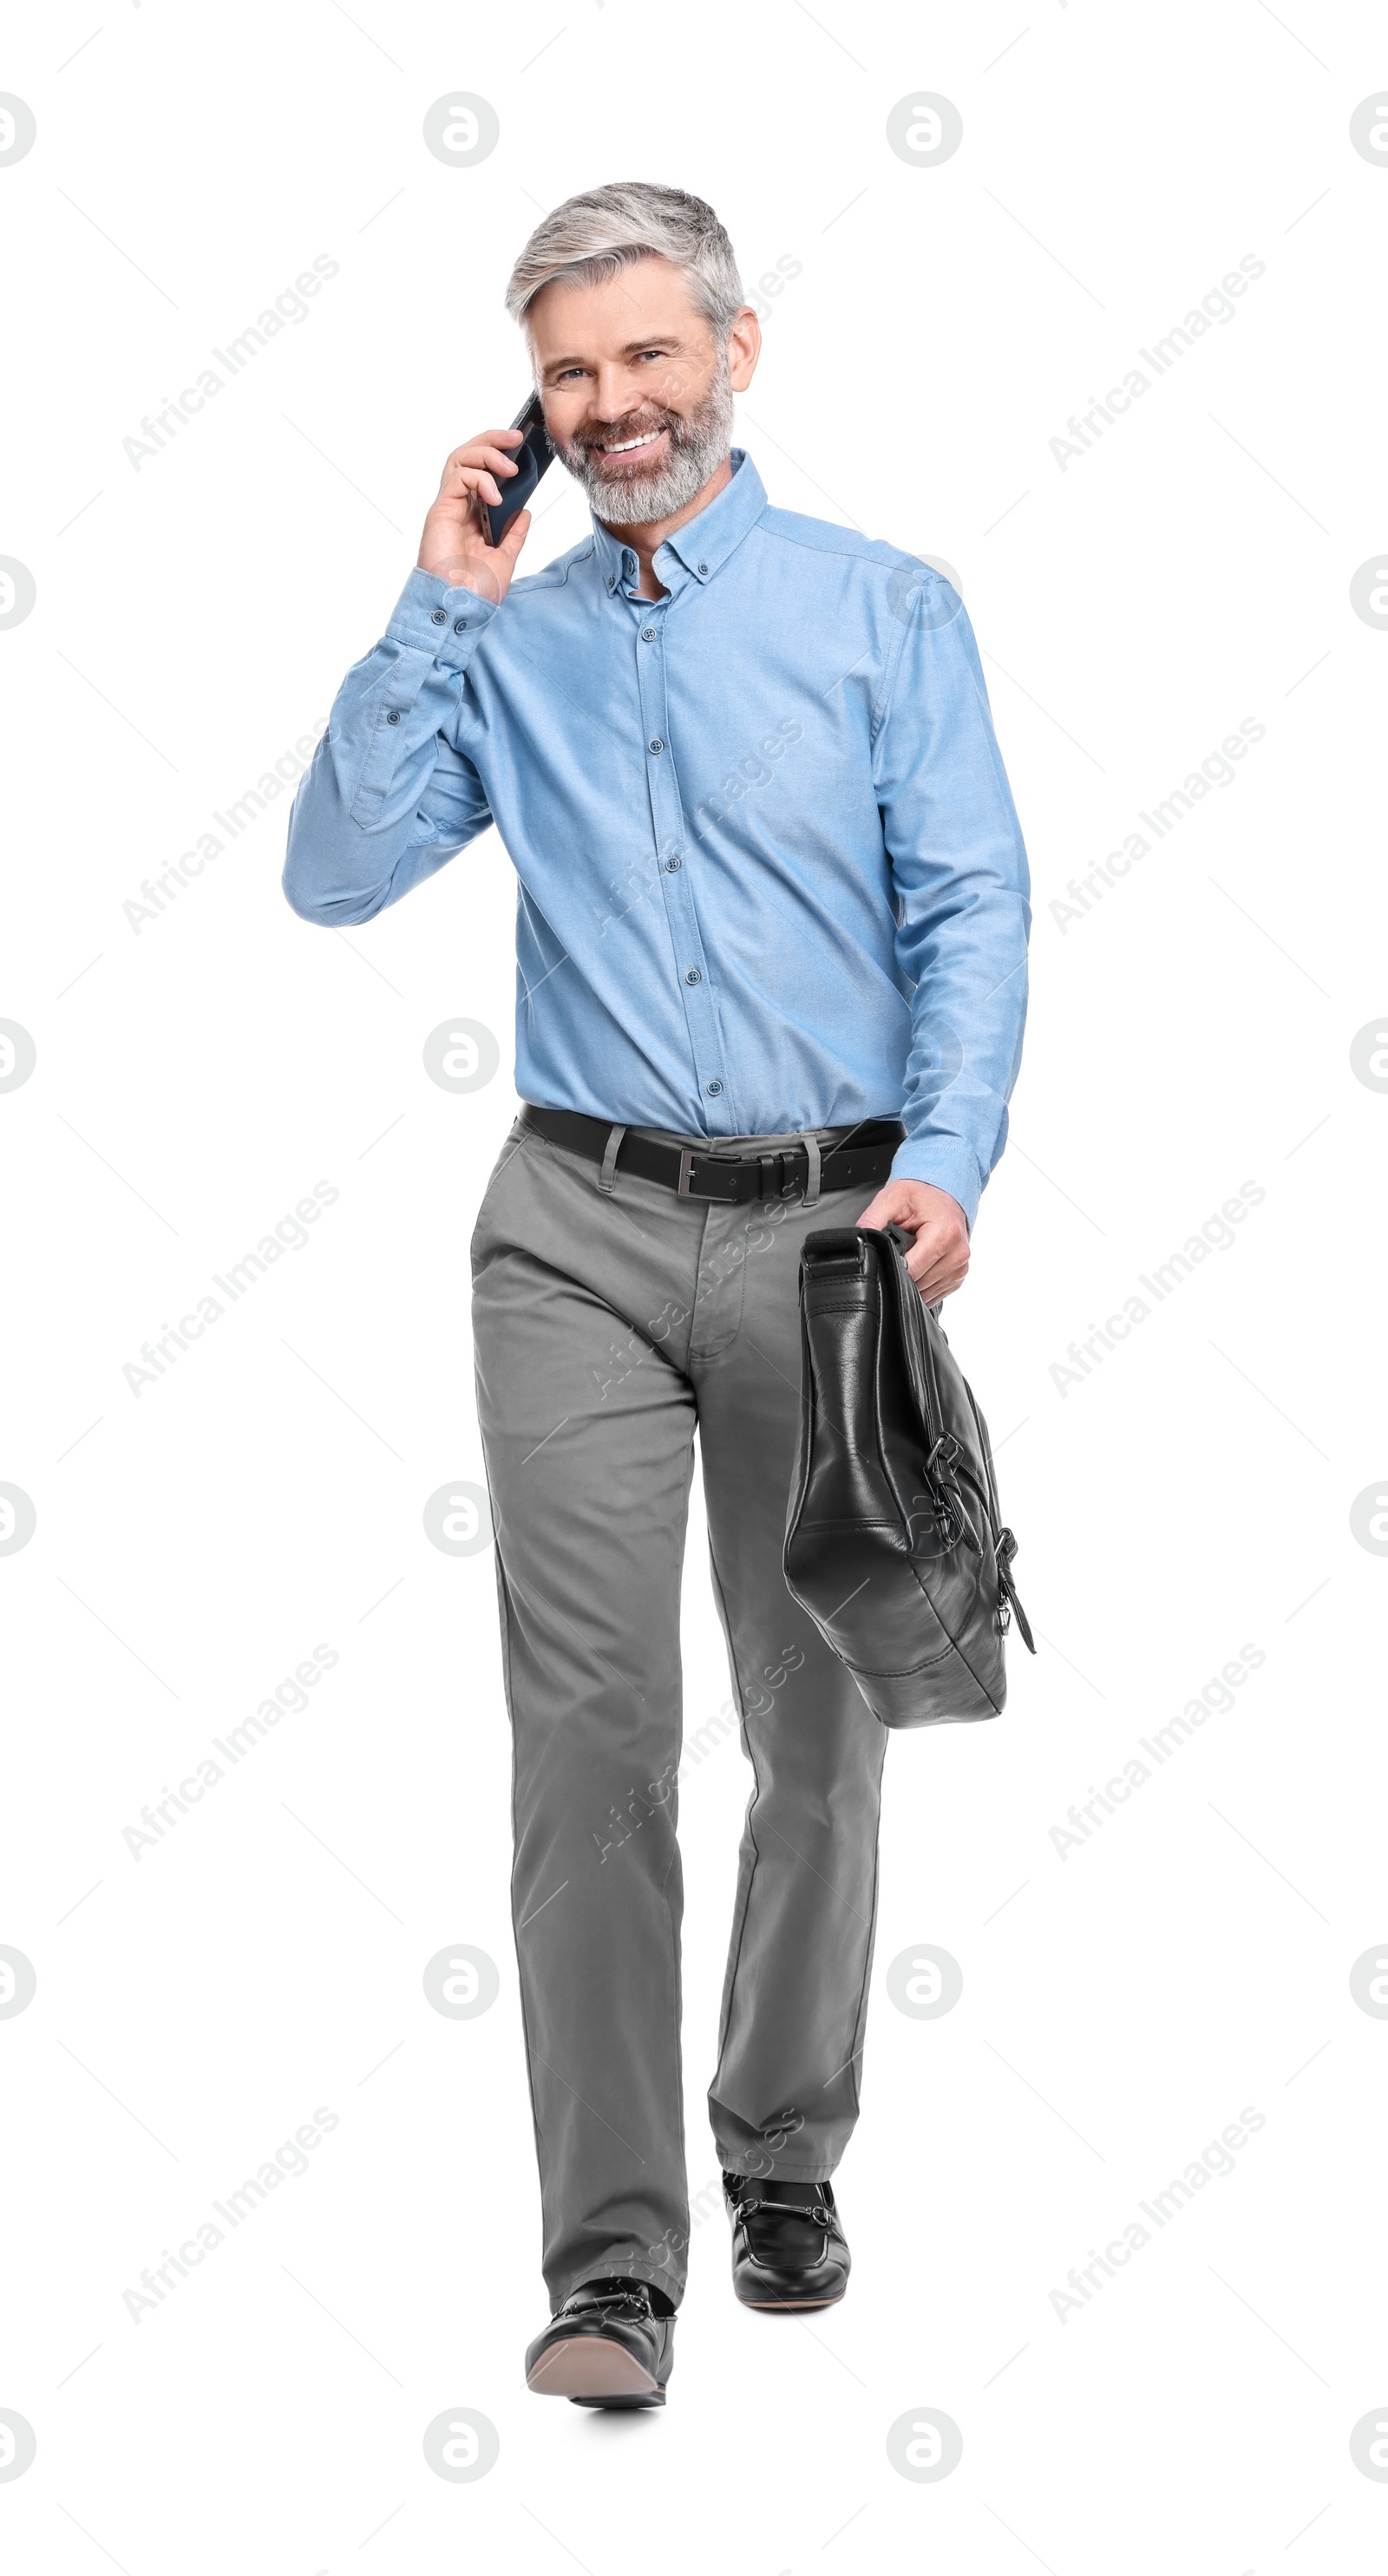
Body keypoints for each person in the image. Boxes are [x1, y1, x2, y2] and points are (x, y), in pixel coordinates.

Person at [282, 180, 1030, 2412]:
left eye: (643, 358)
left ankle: (780, 2144)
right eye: (568, 375)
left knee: (816, 1724)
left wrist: (946, 1160)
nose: (610, 409)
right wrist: (433, 600)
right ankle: (610, 2261)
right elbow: (332, 876)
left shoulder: (883, 611)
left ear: (734, 351)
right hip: (572, 1242)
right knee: (592, 1743)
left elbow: (967, 901)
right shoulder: (498, 643)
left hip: (828, 1250)